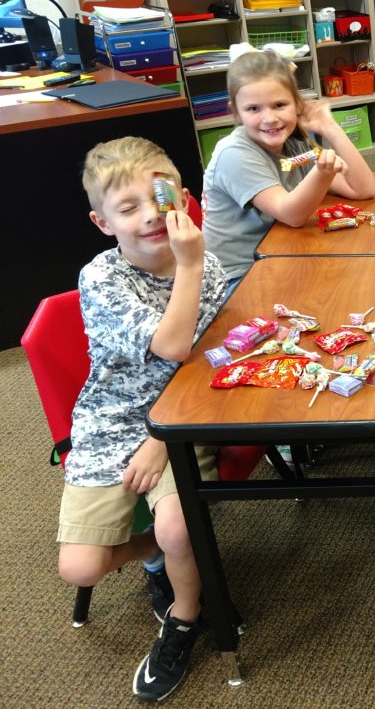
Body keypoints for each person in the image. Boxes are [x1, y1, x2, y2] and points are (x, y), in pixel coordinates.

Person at [59, 137, 228, 702]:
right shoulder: (102, 278)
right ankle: (155, 553)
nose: (152, 215)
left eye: (159, 197)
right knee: (80, 567)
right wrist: (190, 263)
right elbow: (173, 344)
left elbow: (204, 361)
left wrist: (161, 438)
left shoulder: (208, 267)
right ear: (103, 223)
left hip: (182, 414)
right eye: (127, 208)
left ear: (183, 196)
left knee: (178, 526)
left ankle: (185, 614)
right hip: (111, 420)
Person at [202, 50, 375, 285]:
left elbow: (363, 189)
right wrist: (322, 173)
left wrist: (330, 127)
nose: (269, 118)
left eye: (279, 105)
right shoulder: (234, 154)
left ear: (297, 103)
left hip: (280, 253)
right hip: (238, 276)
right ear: (236, 111)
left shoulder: (294, 143)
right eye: (253, 109)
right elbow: (291, 215)